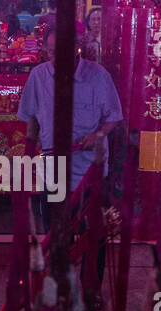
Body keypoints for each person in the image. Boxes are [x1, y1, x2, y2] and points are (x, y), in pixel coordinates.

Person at [16, 36, 122, 232]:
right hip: (53, 170)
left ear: (76, 48)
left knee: (91, 236)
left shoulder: (98, 76)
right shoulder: (39, 76)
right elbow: (31, 117)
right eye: (52, 52)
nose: (56, 57)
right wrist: (29, 149)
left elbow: (114, 116)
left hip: (89, 170)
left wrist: (97, 135)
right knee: (55, 235)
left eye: (61, 52)